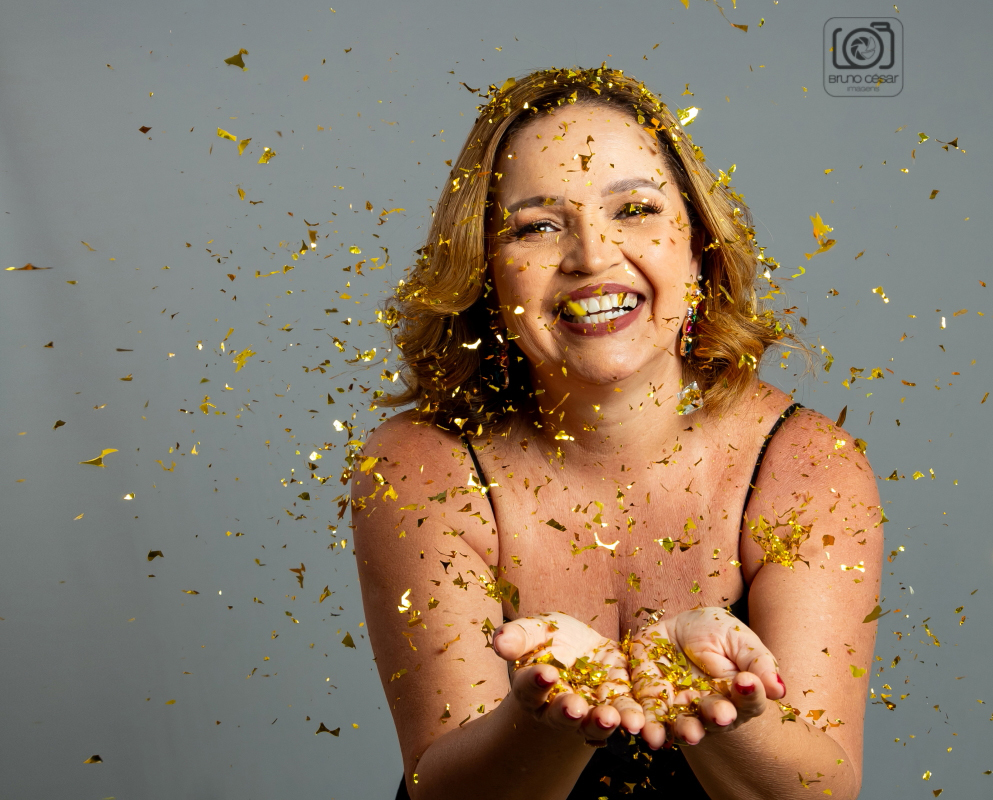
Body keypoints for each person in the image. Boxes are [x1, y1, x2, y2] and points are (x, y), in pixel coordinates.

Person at [352, 66, 883, 800]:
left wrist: (716, 702)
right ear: (486, 271)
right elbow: (443, 790)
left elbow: (820, 790)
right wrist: (550, 717)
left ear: (697, 244)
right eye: (537, 226)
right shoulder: (418, 466)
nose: (592, 258)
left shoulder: (808, 464)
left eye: (634, 209)